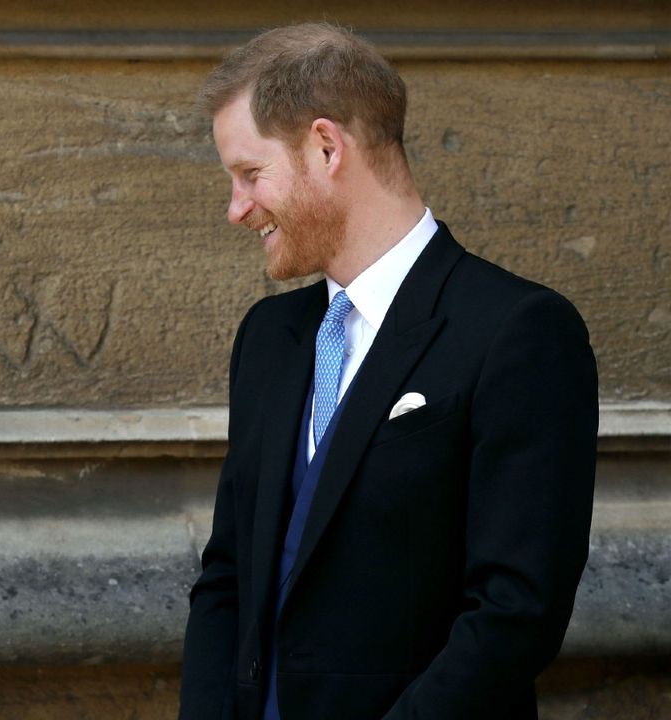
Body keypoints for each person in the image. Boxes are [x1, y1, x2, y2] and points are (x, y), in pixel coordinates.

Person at [179, 23, 597, 720]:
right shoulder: (270, 338)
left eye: (251, 174)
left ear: (325, 147)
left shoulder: (517, 332)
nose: (236, 208)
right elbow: (227, 576)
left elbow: (515, 611)